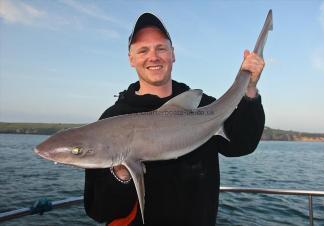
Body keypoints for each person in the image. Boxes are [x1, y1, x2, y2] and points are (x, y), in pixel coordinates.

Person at [84, 12, 265, 226]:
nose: (153, 57)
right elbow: (100, 211)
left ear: (173, 54)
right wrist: (122, 172)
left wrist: (249, 89)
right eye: (143, 50)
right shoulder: (112, 120)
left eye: (161, 48)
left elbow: (242, 144)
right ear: (131, 59)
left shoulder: (202, 105)